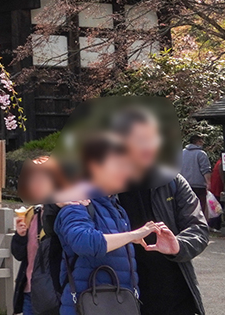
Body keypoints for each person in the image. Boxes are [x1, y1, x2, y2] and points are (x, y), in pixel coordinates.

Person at [112, 107, 208, 315]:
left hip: (173, 294)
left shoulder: (172, 181)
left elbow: (198, 228)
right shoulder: (104, 187)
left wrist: (178, 245)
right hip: (119, 293)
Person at [54, 133, 161, 315]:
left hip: (117, 304)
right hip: (85, 306)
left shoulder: (117, 208)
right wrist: (133, 235)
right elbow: (85, 243)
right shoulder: (78, 203)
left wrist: (129, 238)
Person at [12, 156, 66, 315]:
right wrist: (20, 236)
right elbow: (19, 255)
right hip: (29, 290)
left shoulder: (64, 212)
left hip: (53, 293)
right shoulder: (32, 214)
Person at [180, 135, 212, 217]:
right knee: (200, 208)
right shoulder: (201, 154)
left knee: (188, 208)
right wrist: (208, 183)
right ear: (198, 142)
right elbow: (205, 170)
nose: (203, 143)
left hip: (184, 186)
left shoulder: (181, 153)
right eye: (201, 141)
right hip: (199, 186)